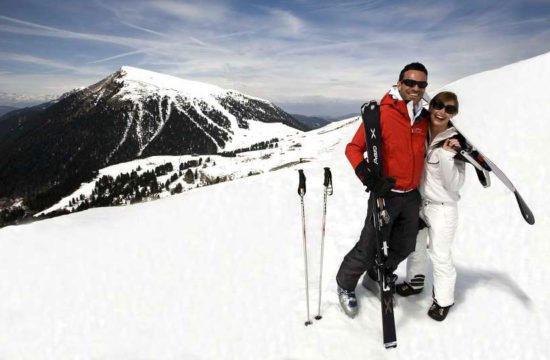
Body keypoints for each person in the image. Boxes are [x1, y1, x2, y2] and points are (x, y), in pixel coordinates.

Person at [336, 62, 430, 318]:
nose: (415, 88)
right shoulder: (381, 113)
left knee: (405, 244)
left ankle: (377, 274)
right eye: (410, 82)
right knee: (369, 245)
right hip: (385, 195)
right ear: (399, 83)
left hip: (411, 196)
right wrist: (368, 176)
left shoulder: (423, 117)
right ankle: (345, 284)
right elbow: (353, 149)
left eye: (421, 84)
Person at [395, 91, 465, 321]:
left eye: (449, 109)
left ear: (454, 113)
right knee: (415, 245)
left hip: (443, 208)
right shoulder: (423, 131)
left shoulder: (457, 142)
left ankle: (443, 301)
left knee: (440, 254)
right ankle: (415, 283)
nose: (441, 111)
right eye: (437, 104)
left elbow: (454, 185)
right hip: (420, 202)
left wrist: (446, 155)